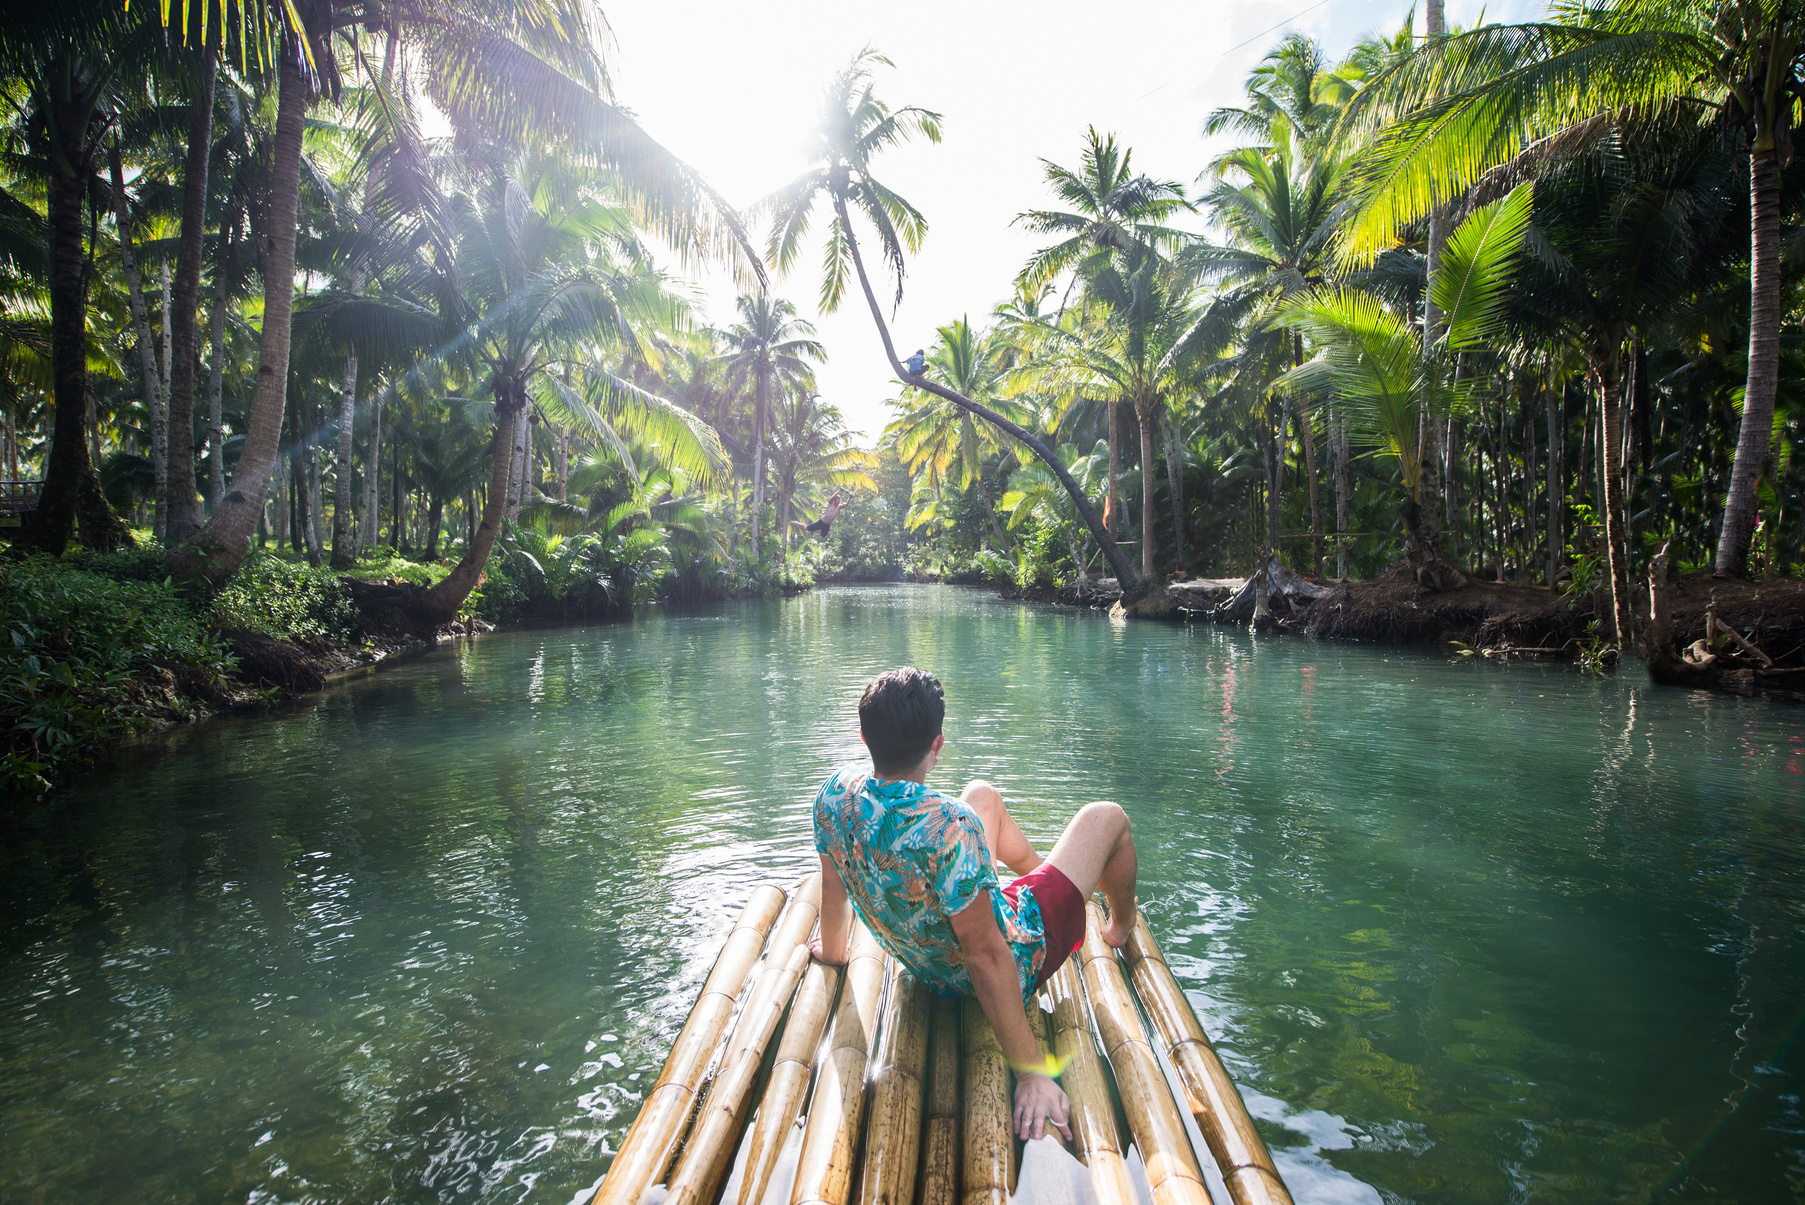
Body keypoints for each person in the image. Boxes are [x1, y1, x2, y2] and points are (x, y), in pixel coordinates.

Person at [810, 667, 1139, 1144]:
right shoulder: (948, 826)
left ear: (864, 736)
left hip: (928, 958)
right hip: (1008, 955)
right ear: (937, 745)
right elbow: (986, 956)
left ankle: (1048, 875)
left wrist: (834, 951)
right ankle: (1121, 927)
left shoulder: (833, 796)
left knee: (982, 794)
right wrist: (1031, 1071)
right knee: (1108, 818)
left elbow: (833, 884)